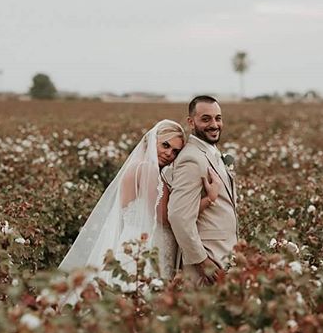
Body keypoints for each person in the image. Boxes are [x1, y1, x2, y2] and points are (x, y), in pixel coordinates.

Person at [58, 119, 222, 283]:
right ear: (152, 141)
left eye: (175, 152)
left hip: (131, 245)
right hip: (146, 250)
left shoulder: (134, 168)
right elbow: (166, 217)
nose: (169, 154)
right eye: (165, 145)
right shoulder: (147, 170)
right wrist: (209, 199)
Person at [164, 96, 238, 286]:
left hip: (224, 253)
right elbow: (179, 216)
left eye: (218, 118)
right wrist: (201, 261)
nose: (214, 124)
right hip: (207, 261)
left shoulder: (212, 153)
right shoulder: (192, 159)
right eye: (206, 119)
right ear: (191, 122)